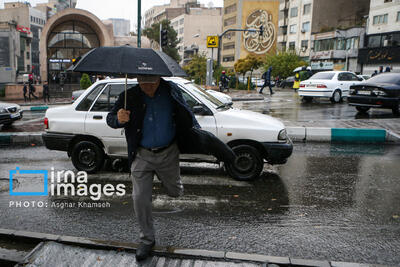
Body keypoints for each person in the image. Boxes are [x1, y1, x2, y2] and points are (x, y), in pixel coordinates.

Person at [106, 75, 235, 261]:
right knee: (140, 198)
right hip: (141, 155)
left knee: (175, 192)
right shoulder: (129, 95)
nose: (147, 87)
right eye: (143, 83)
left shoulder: (171, 90)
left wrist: (197, 134)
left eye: (151, 82)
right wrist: (118, 119)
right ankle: (147, 240)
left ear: (159, 79)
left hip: (168, 153)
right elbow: (110, 118)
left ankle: (169, 182)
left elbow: (187, 114)